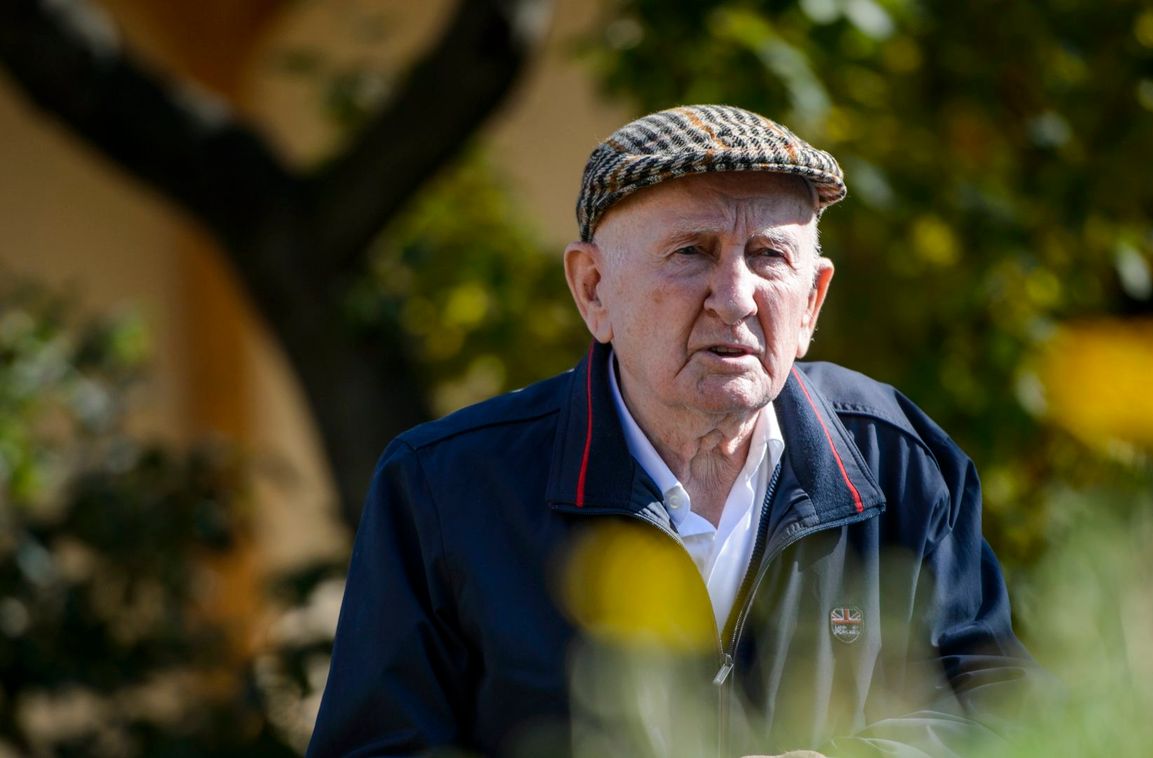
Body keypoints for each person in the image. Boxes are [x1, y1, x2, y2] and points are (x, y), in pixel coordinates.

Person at [307, 105, 1036, 758]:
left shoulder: (896, 459)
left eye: (768, 256)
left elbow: (1006, 713)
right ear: (593, 289)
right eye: (691, 252)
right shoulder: (445, 487)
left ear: (812, 301)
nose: (736, 298)